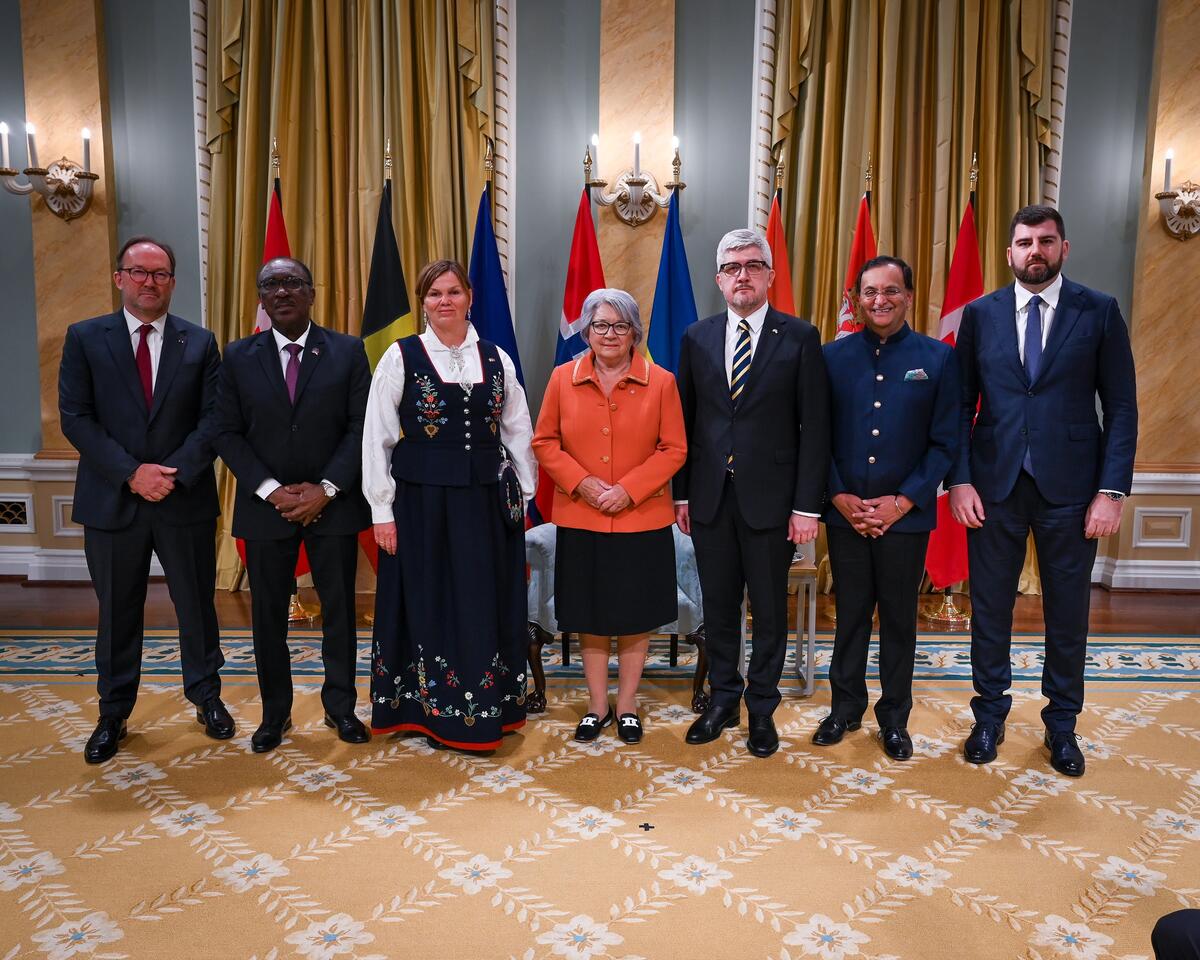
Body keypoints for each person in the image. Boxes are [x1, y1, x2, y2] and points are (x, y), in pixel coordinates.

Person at [949, 205, 1138, 777]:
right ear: (1009, 253)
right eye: (1025, 242)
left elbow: (1122, 406)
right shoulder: (979, 315)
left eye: (1047, 241)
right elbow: (958, 406)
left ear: (1064, 248)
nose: (1036, 251)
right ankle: (989, 717)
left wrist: (1112, 491)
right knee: (989, 610)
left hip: (1074, 492)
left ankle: (1062, 727)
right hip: (993, 486)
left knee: (1067, 613)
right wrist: (958, 479)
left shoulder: (1099, 311)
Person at [59, 236, 230, 764]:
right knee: (117, 611)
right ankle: (113, 712)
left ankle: (207, 698)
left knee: (196, 608)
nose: (148, 281)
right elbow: (76, 419)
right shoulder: (86, 338)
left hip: (183, 500)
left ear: (173, 282)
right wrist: (133, 474)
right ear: (120, 278)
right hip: (114, 501)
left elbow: (214, 420)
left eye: (159, 274)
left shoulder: (199, 343)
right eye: (138, 272)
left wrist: (169, 475)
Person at [363, 259, 536, 752]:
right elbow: (377, 438)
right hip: (421, 505)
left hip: (485, 504)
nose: (445, 301)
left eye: (453, 292)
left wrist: (522, 496)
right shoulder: (400, 357)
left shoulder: (496, 357)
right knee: (430, 598)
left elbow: (518, 429)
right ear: (424, 302)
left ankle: (487, 709)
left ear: (469, 297)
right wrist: (382, 511)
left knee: (482, 600)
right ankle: (427, 712)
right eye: (435, 293)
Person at [674, 228, 830, 758]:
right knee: (718, 609)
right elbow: (685, 423)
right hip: (711, 500)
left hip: (775, 503)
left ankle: (762, 709)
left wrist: (807, 506)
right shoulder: (697, 336)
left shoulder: (801, 337)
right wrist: (681, 496)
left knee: (767, 611)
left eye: (752, 265)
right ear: (719, 279)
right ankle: (722, 702)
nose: (742, 275)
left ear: (769, 274)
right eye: (732, 267)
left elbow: (816, 428)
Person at [214, 256, 372, 753]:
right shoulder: (238, 356)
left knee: (340, 613)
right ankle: (275, 716)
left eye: (292, 283)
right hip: (266, 510)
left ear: (311, 293)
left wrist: (326, 488)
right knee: (266, 619)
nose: (282, 291)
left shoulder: (347, 352)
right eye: (271, 285)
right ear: (261, 298)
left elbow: (360, 426)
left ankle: (340, 708)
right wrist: (270, 489)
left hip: (335, 506)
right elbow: (225, 430)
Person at [814, 256, 958, 760]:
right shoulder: (831, 357)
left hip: (907, 517)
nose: (880, 301)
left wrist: (902, 502)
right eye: (870, 292)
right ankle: (844, 708)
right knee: (850, 616)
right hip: (845, 513)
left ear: (909, 296)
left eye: (891, 291)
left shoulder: (938, 359)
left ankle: (894, 718)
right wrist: (837, 495)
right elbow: (817, 437)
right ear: (855, 298)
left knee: (899, 620)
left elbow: (945, 443)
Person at [532, 288, 687, 744]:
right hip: (582, 517)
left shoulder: (662, 382)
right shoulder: (563, 377)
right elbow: (544, 442)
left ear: (635, 332)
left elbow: (674, 448)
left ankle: (627, 705)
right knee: (591, 613)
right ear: (586, 330)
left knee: (637, 614)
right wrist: (582, 483)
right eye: (600, 325)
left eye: (620, 326)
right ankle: (598, 706)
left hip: (642, 517)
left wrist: (629, 490)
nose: (610, 334)